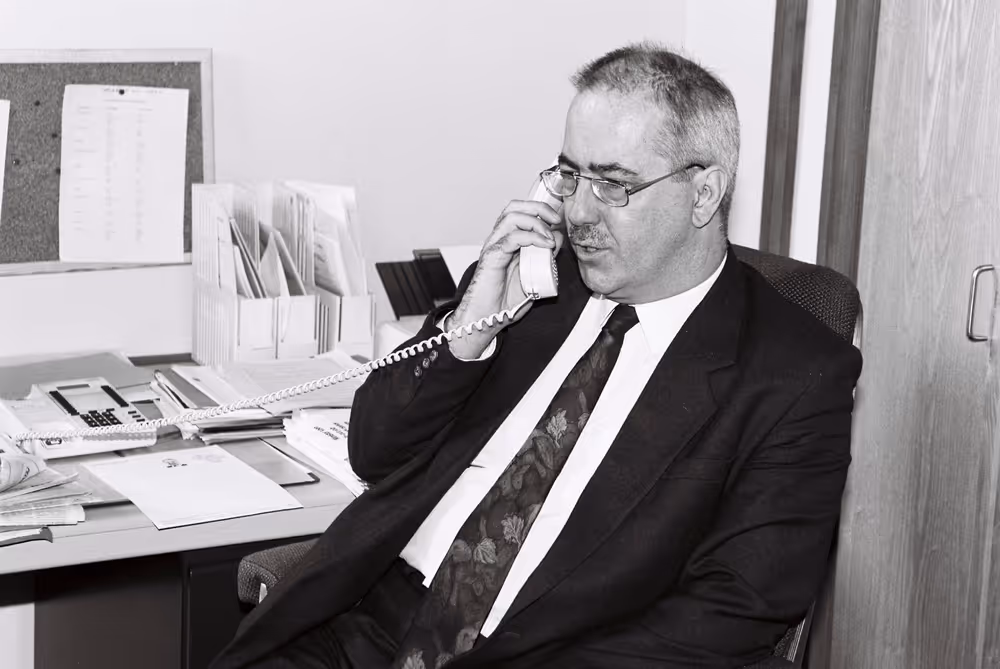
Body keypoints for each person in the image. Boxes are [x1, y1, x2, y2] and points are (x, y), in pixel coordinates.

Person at [212, 42, 862, 669]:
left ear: (703, 194)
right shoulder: (530, 286)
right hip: (364, 626)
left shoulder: (796, 375)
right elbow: (373, 449)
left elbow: (735, 610)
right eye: (570, 174)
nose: (576, 211)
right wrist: (468, 329)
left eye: (612, 184)